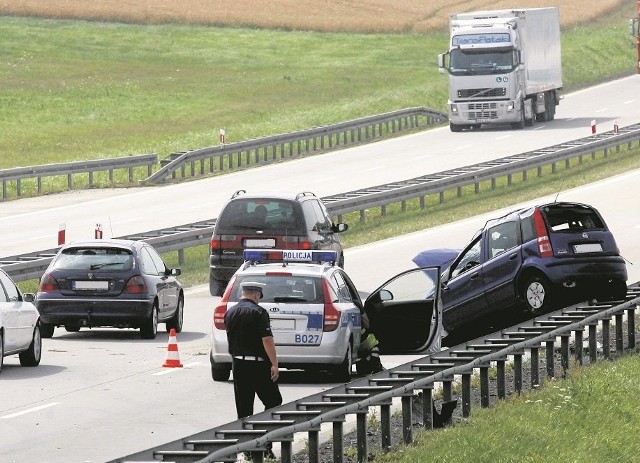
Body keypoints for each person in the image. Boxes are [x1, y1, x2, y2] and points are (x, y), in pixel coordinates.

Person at [224, 281, 282, 459]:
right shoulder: (259, 312)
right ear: (257, 295)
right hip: (258, 365)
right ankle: (265, 444)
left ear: (243, 293)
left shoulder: (230, 312)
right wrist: (274, 364)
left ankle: (247, 449)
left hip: (239, 365)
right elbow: (267, 340)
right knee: (273, 401)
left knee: (244, 409)